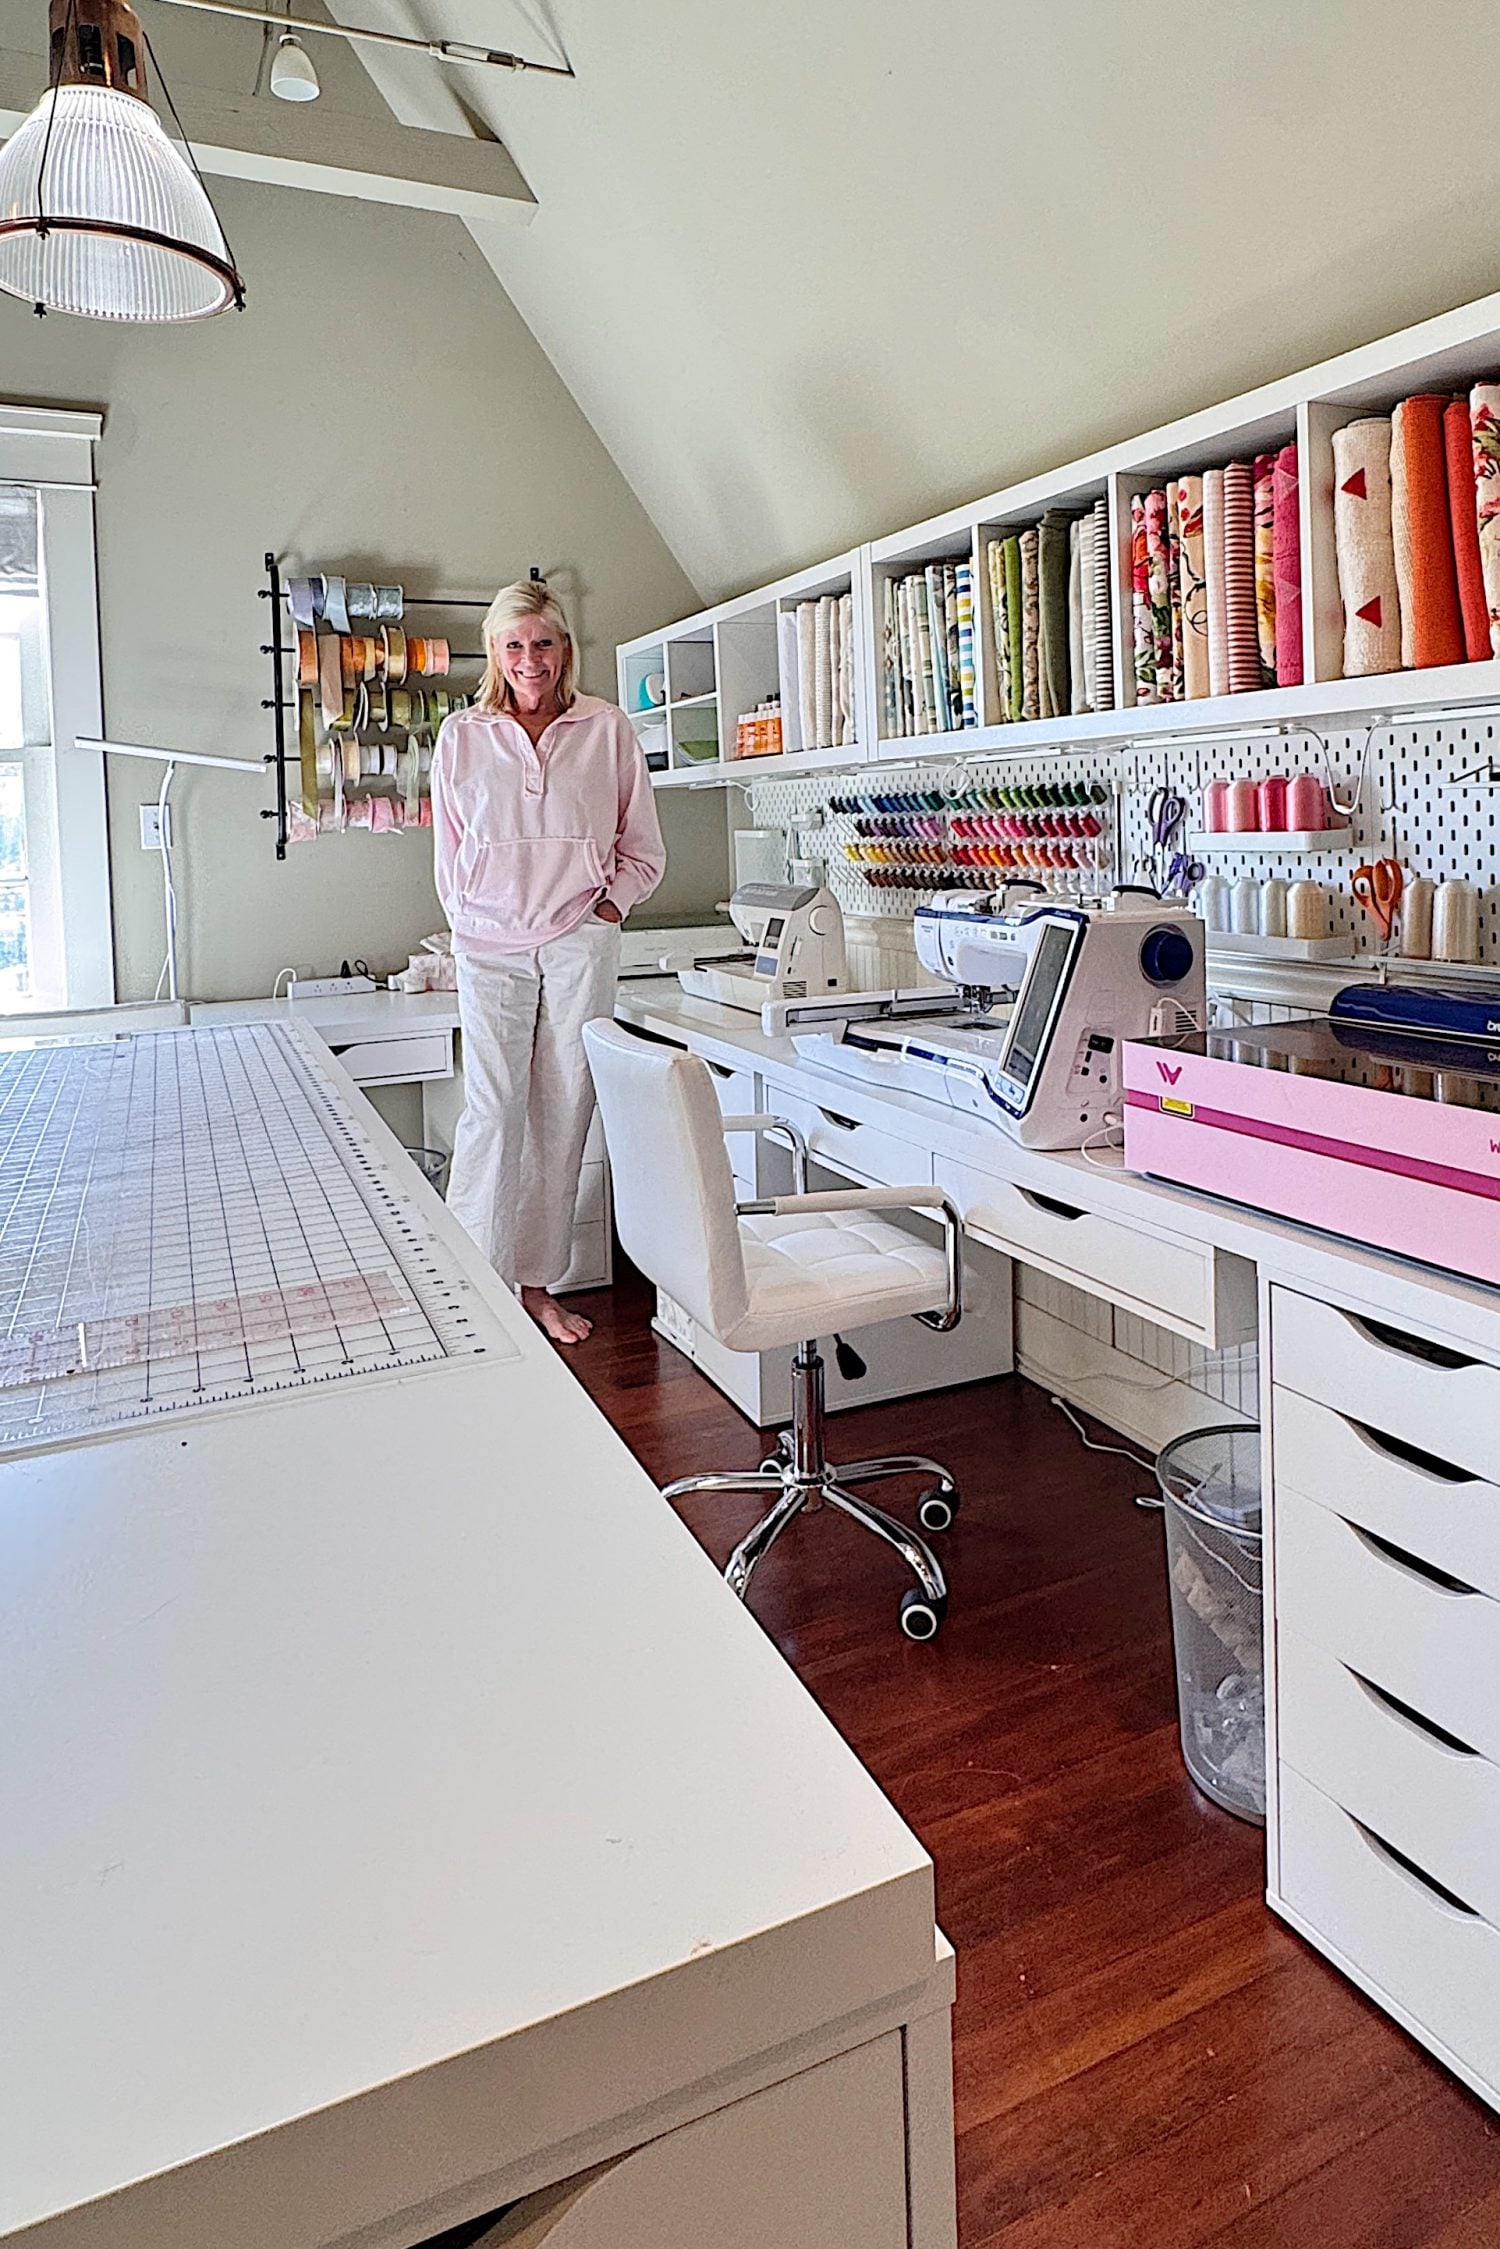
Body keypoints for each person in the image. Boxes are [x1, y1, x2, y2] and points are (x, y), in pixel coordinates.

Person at [432, 580, 665, 1344]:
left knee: (563, 1115)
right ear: (495, 653)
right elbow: (451, 855)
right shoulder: (461, 736)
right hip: (489, 945)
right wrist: (470, 922)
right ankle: (475, 1290)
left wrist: (606, 909)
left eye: (543, 642)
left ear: (564, 649)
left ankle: (535, 1287)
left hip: (576, 939)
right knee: (492, 1112)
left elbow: (643, 846)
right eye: (514, 644)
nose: (530, 659)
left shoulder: (607, 727)